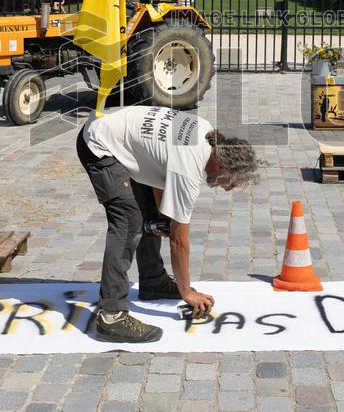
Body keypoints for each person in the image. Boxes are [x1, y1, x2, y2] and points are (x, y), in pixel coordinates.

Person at [77, 105, 259, 343]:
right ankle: (111, 316)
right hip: (98, 145)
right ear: (223, 167)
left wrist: (162, 219)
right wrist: (187, 291)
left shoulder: (205, 132)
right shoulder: (189, 170)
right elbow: (178, 242)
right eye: (232, 182)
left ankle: (153, 281)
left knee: (150, 214)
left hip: (117, 135)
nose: (229, 188)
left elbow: (157, 172)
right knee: (128, 222)